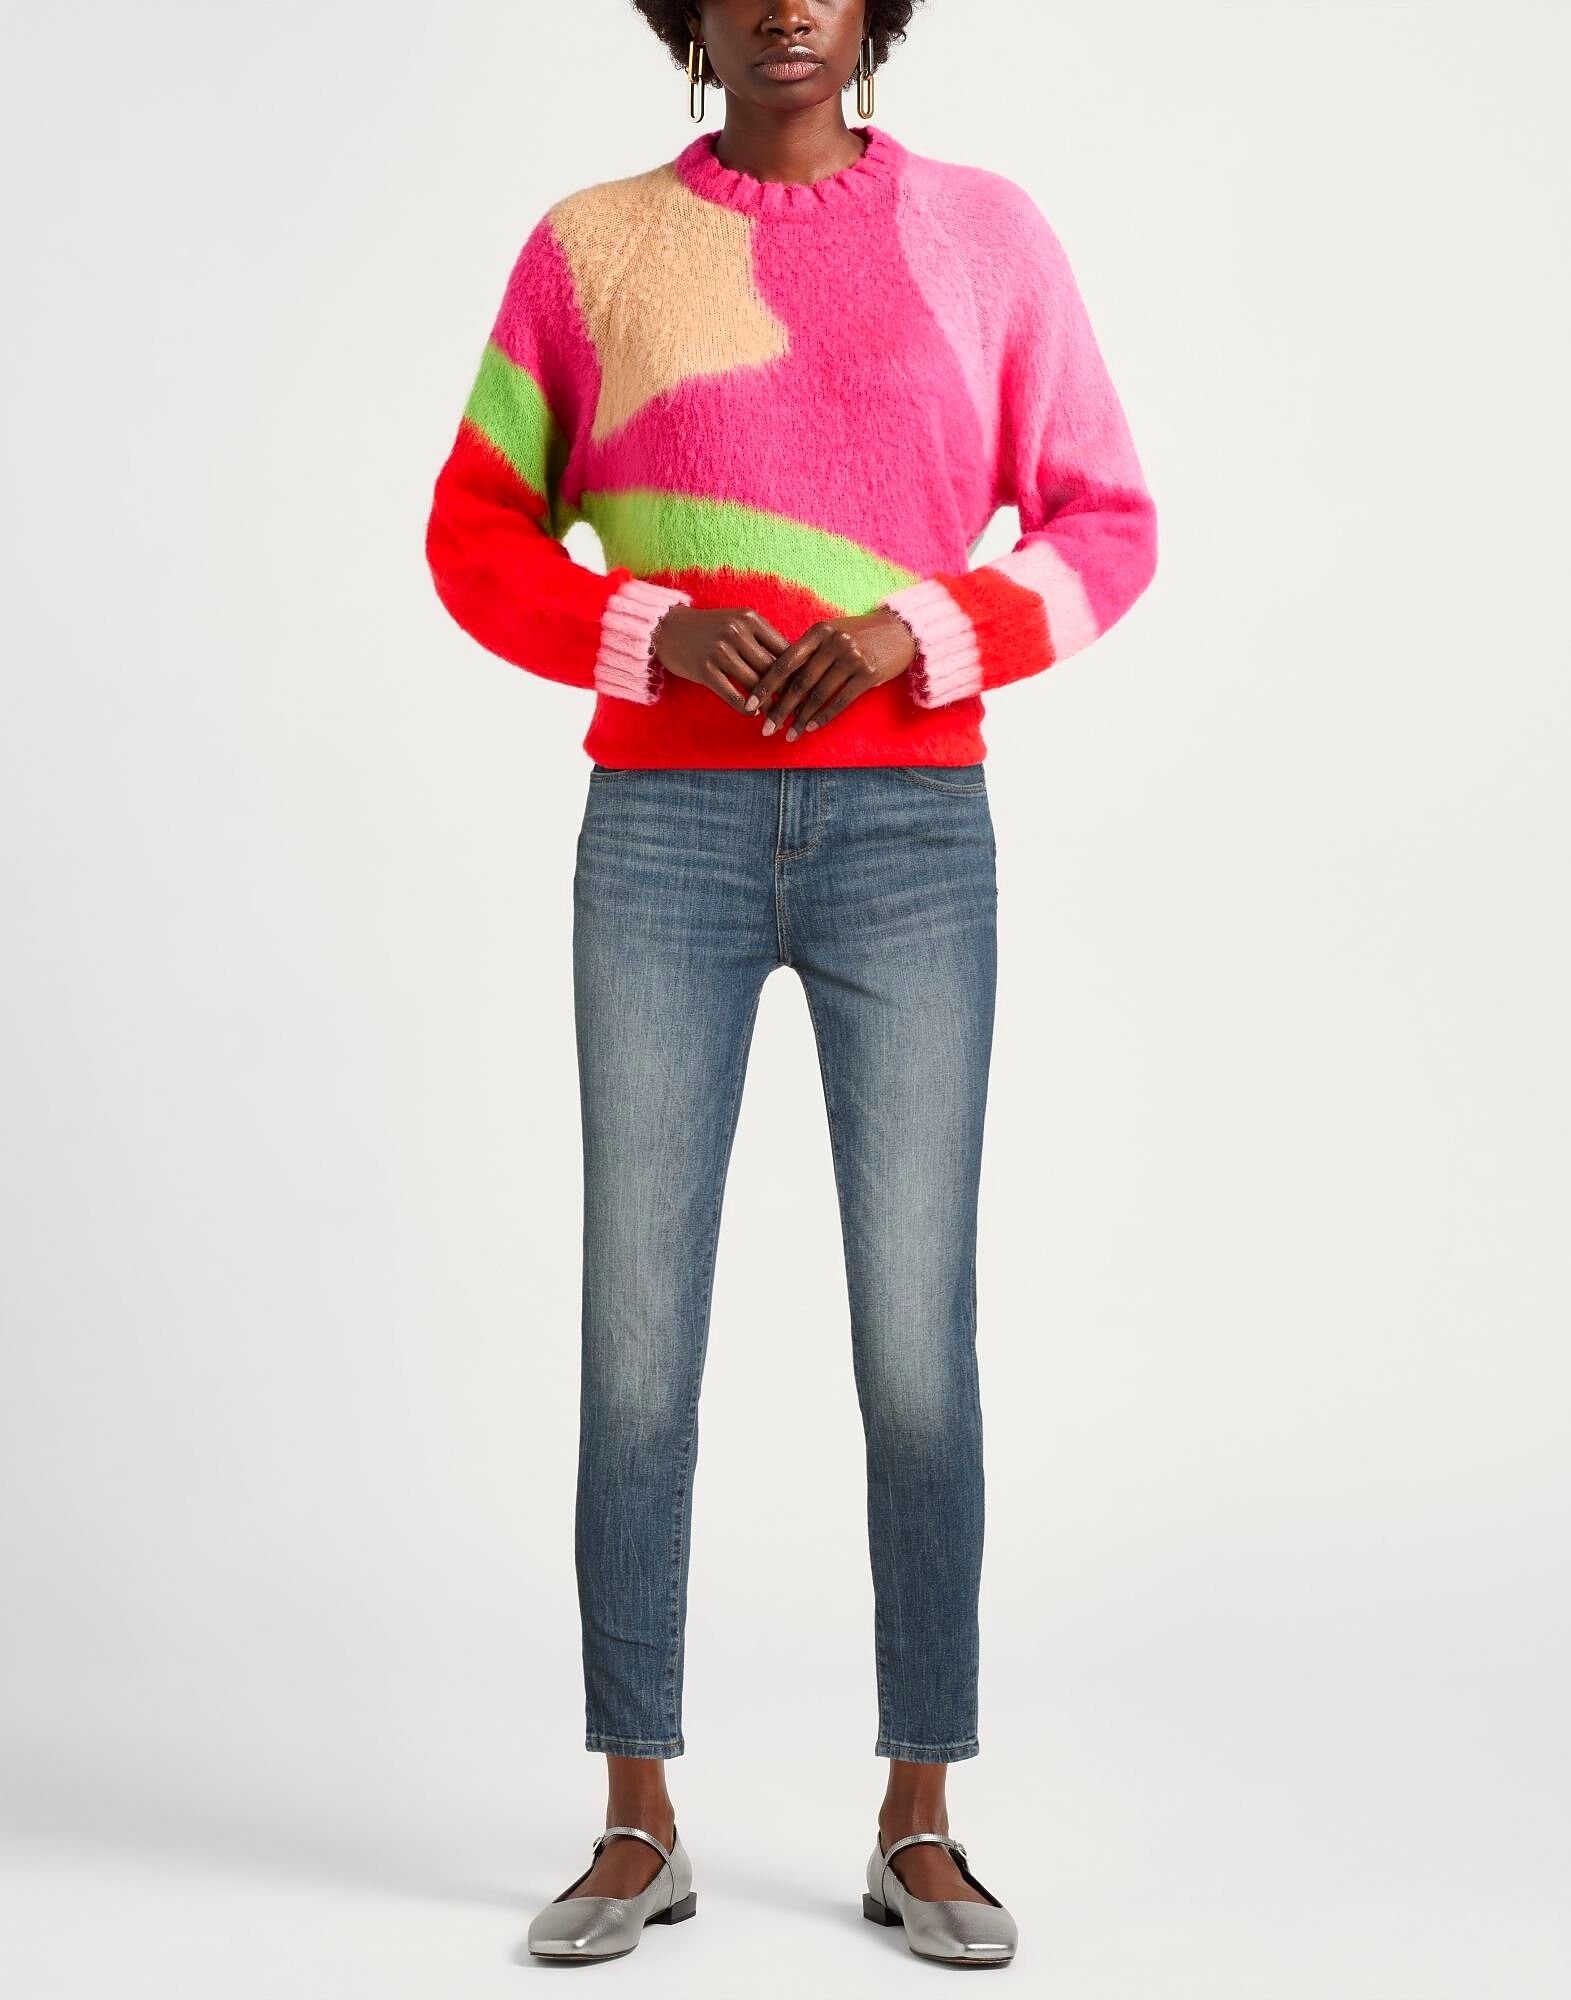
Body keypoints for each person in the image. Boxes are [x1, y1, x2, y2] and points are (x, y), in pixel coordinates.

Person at [424, 0, 1157, 1969]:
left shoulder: (986, 238)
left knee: (917, 1333)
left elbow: (1108, 520)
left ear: (875, 7)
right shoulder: (592, 248)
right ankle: (634, 1814)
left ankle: (923, 1816)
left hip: (911, 839)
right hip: (660, 838)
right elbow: (474, 531)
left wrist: (927, 630)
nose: (783, 5)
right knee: (637, 1333)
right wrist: (645, 630)